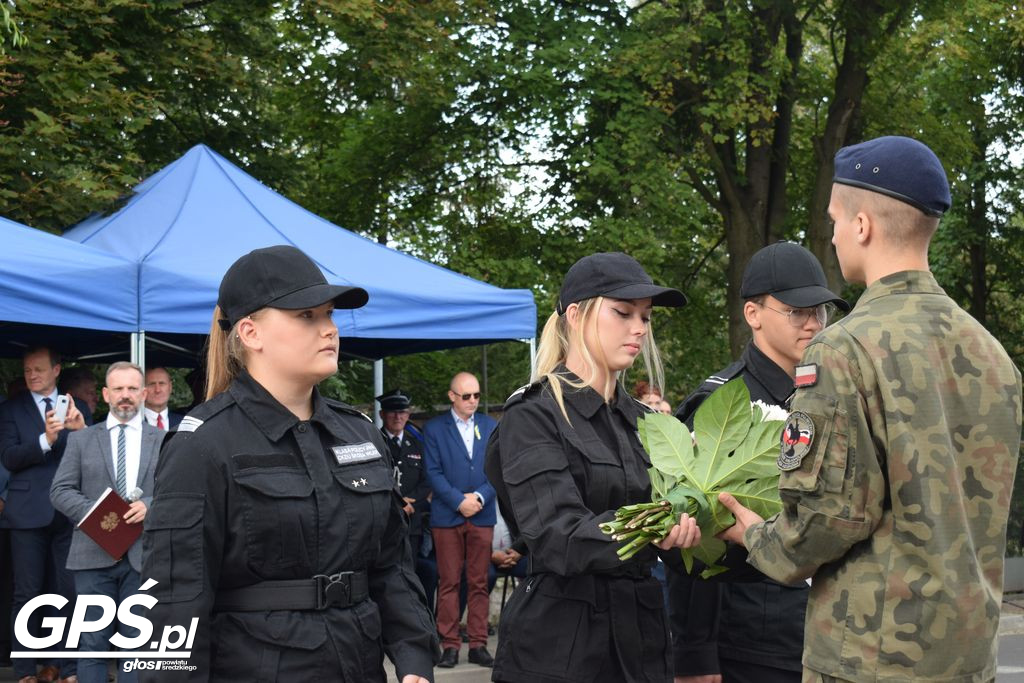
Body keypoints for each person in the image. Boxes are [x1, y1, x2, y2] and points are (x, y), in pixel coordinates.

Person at [717, 136, 1022, 682]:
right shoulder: (990, 352)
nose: (832, 234)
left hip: (872, 657)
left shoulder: (843, 350)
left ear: (862, 226)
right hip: (969, 655)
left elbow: (827, 518)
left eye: (834, 219)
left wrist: (755, 536)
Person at [140, 245, 437, 682]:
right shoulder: (204, 444)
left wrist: (414, 660)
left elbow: (392, 565)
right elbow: (174, 601)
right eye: (307, 316)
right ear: (250, 332)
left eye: (330, 315)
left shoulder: (359, 432)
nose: (329, 330)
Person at [484, 252, 702, 683]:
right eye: (623, 312)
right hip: (560, 646)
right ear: (576, 315)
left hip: (641, 643)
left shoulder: (650, 424)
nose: (638, 328)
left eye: (646, 317)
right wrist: (655, 526)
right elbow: (557, 535)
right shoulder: (534, 416)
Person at [669, 242, 849, 683]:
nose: (813, 322)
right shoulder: (723, 404)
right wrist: (696, 654)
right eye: (796, 311)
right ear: (753, 314)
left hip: (830, 634)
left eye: (820, 311)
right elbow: (690, 541)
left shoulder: (833, 395)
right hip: (752, 642)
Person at [50, 362, 161, 683]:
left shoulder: (164, 440)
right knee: (91, 646)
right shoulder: (81, 440)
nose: (125, 396)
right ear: (105, 393)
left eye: (131, 389)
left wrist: (151, 505)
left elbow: (179, 492)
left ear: (142, 393)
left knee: (137, 647)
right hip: (91, 556)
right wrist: (100, 516)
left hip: (143, 558)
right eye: (118, 389)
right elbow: (59, 491)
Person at [0, 346, 90, 683]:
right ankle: (25, 670)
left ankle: (63, 667)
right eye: (26, 370)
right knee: (27, 592)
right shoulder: (11, 410)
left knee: (67, 591)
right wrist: (46, 439)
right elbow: (9, 457)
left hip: (68, 514)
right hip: (26, 514)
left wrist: (80, 432)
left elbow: (93, 453)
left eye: (38, 369)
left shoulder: (77, 407)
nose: (31, 375)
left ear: (56, 370)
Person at [422, 372, 498, 669]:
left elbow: (497, 469)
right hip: (448, 515)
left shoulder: (491, 426)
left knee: (479, 582)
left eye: (477, 395)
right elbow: (432, 472)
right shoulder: (434, 429)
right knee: (449, 581)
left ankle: (478, 644)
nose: (473, 401)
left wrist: (478, 498)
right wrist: (458, 501)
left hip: (482, 514)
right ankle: (449, 645)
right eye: (466, 396)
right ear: (452, 396)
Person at [377, 389, 431, 559]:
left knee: (410, 570)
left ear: (408, 415)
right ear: (382, 414)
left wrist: (409, 503)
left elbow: (427, 480)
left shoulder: (417, 443)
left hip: (411, 519)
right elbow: (373, 480)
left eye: (402, 412)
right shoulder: (373, 442)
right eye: (392, 412)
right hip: (384, 520)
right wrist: (397, 503)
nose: (398, 417)